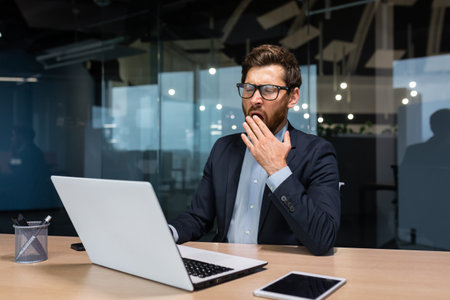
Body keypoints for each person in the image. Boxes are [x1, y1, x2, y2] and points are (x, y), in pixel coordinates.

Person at [169, 44, 340, 255]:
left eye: (268, 90)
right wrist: (168, 233)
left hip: (280, 273)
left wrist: (278, 169)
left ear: (292, 97)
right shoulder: (223, 148)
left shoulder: (317, 153)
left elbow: (323, 238)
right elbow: (198, 218)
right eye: (249, 89)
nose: (255, 99)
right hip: (225, 267)